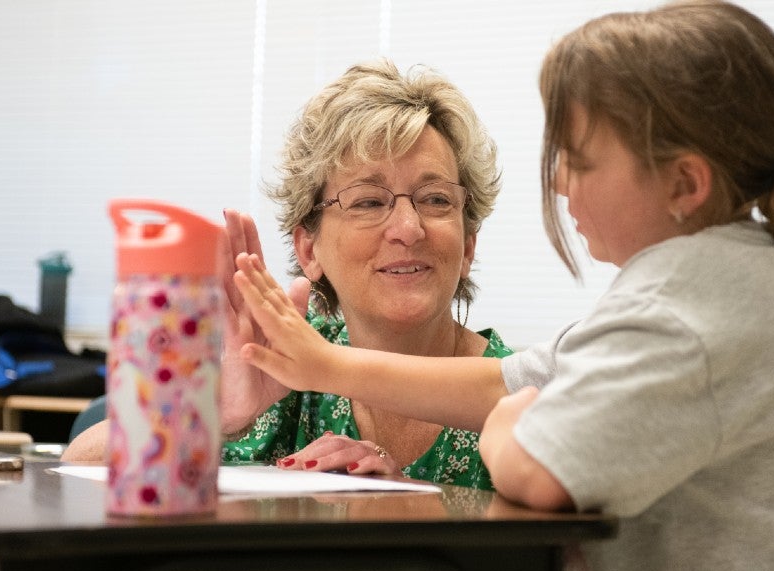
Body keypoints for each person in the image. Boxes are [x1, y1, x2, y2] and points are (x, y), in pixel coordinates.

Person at [227, 1, 774, 571]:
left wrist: (504, 431)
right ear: (306, 246)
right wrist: (313, 367)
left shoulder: (680, 313)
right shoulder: (706, 285)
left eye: (581, 161)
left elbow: (534, 462)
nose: (559, 181)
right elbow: (504, 385)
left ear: (684, 183)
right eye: (369, 201)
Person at [62, 58, 513, 491]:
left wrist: (401, 504)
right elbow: (79, 463)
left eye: (436, 200)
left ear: (468, 242)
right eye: (369, 202)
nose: (409, 229)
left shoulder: (524, 395)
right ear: (308, 249)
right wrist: (215, 413)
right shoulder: (288, 371)